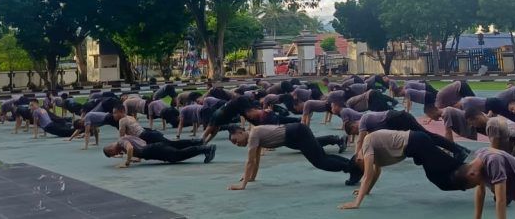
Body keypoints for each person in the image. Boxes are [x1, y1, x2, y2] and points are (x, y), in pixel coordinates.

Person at [226, 123, 359, 190]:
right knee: (322, 157)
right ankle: (353, 168)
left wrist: (242, 185)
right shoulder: (255, 135)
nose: (237, 144)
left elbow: (250, 161)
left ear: (240, 131)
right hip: (294, 135)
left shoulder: (253, 135)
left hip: (296, 133)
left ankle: (353, 168)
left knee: (320, 161)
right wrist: (251, 178)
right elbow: (256, 160)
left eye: (235, 140)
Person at [344, 109, 469, 162]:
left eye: (355, 132)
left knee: (428, 137)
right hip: (399, 121)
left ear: (354, 125)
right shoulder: (370, 127)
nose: (358, 133)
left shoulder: (364, 120)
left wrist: (356, 157)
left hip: (399, 119)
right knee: (426, 139)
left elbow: (360, 141)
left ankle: (459, 150)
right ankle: (459, 149)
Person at [102, 135, 216, 167]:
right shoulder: (125, 138)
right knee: (175, 148)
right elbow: (140, 143)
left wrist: (126, 163)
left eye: (113, 154)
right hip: (152, 147)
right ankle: (200, 144)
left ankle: (205, 149)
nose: (116, 154)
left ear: (110, 149)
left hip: (152, 150)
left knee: (177, 155)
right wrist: (137, 156)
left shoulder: (120, 142)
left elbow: (130, 148)